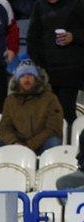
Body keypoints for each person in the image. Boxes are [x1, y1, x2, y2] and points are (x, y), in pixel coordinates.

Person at [0, 60, 63, 158]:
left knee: (53, 142)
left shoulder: (50, 98)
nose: (26, 78)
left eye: (30, 75)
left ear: (37, 79)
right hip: (16, 145)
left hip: (40, 145)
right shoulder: (10, 100)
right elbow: (4, 128)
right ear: (17, 80)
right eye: (22, 76)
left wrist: (30, 145)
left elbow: (53, 129)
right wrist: (14, 143)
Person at [27, 0, 84, 129]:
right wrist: (38, 66)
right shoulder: (39, 5)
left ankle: (68, 146)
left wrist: (73, 36)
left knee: (66, 112)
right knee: (46, 114)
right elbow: (32, 37)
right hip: (46, 71)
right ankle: (51, 146)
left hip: (70, 70)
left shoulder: (77, 4)